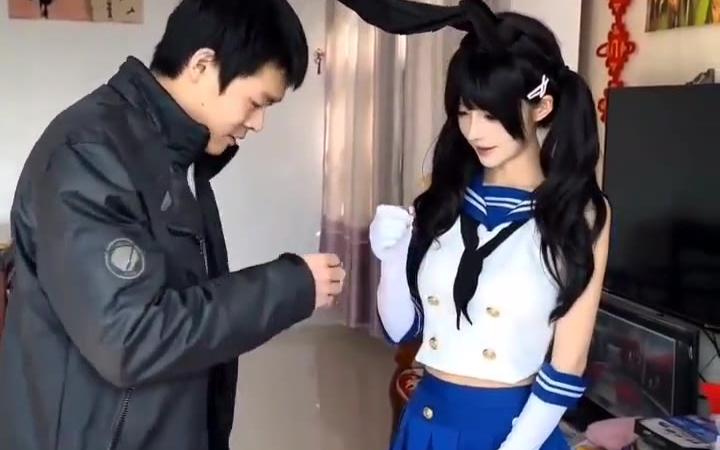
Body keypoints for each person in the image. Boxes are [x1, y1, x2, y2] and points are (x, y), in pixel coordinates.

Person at [0, 1, 345, 449]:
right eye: (256, 102)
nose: (258, 123)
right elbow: (131, 337)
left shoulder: (176, 155)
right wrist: (289, 287)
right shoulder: (87, 154)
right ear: (202, 64)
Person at [339, 1, 611, 449]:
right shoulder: (446, 195)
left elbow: (568, 364)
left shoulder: (579, 211)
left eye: (490, 114)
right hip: (426, 426)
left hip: (515, 435)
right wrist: (391, 259)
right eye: (464, 112)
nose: (473, 131)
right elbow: (402, 329)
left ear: (542, 107)